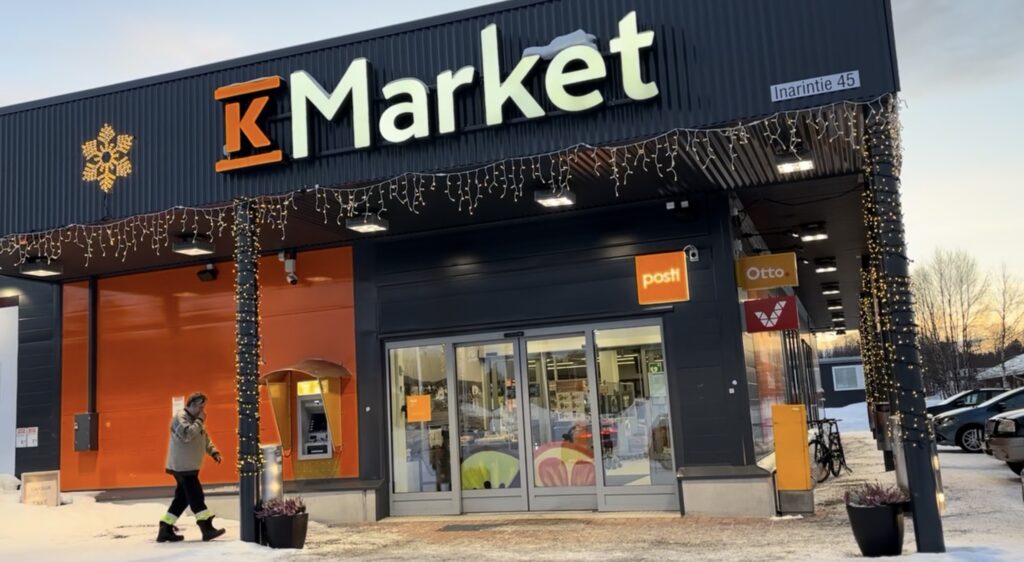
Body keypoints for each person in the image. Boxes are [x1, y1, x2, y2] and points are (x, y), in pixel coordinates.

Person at [156, 392, 226, 543]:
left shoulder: (195, 421)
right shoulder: (180, 418)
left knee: (182, 499)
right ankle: (206, 528)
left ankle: (165, 527)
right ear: (192, 404)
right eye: (200, 407)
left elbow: (203, 438)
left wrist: (213, 452)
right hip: (182, 467)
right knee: (196, 496)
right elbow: (187, 435)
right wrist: (200, 420)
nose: (202, 411)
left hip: (189, 465)